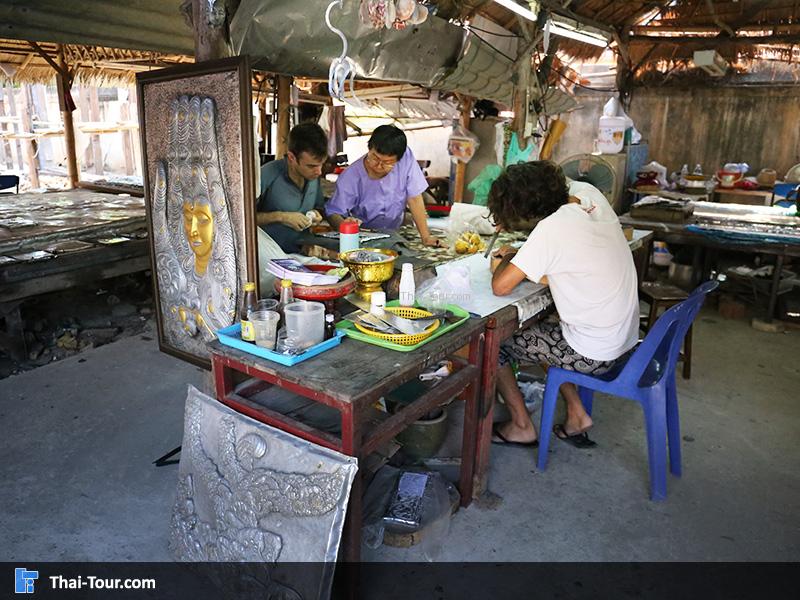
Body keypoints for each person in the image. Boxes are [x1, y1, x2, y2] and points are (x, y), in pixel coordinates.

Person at [488, 161, 639, 448]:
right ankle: (577, 413)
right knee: (544, 331)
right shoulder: (589, 195)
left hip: (594, 353)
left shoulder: (552, 227)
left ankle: (521, 426)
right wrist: (524, 254)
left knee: (493, 344)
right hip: (624, 337)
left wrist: (506, 258)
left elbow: (501, 286)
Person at [325, 125, 442, 247]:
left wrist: (426, 237)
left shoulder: (405, 157)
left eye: (387, 163)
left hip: (395, 231)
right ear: (369, 148)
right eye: (375, 158)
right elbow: (333, 212)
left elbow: (414, 197)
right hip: (364, 236)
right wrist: (345, 225)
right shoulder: (350, 177)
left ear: (398, 160)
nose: (379, 166)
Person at [257, 123, 328, 253]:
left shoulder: (313, 177)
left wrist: (316, 214)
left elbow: (319, 207)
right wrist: (281, 217)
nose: (319, 172)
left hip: (301, 254)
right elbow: (243, 219)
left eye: (321, 164)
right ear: (291, 158)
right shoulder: (267, 175)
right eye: (311, 166)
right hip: (268, 257)